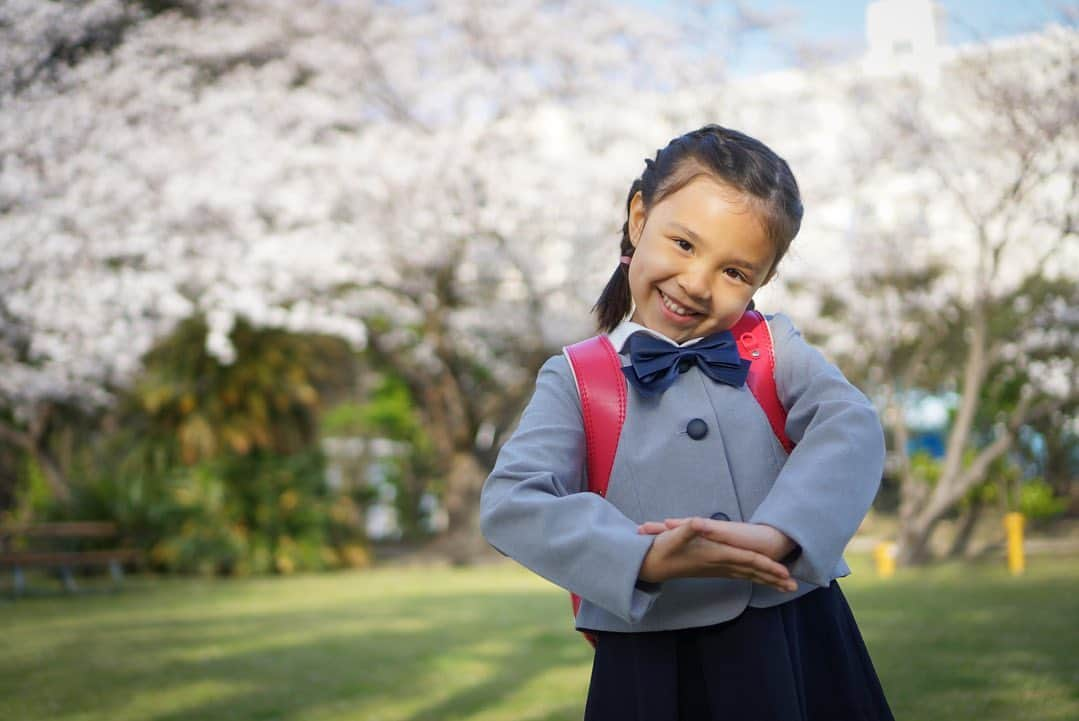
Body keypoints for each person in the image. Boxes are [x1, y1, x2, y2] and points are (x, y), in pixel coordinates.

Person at [479, 124, 894, 720]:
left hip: (796, 637)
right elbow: (513, 501)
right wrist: (639, 558)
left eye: (735, 272)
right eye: (683, 244)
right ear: (639, 217)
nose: (696, 285)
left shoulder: (773, 349)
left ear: (764, 280)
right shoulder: (577, 377)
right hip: (652, 664)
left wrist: (782, 534)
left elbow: (848, 426)